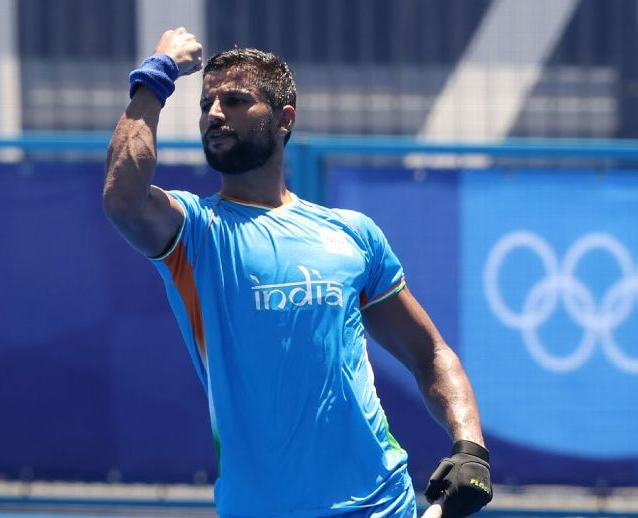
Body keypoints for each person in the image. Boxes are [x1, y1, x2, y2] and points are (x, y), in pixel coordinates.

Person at [103, 28, 493, 518]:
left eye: (236, 100)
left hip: (380, 504)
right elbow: (122, 198)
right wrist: (157, 74)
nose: (215, 113)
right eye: (207, 103)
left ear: (284, 120)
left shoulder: (352, 234)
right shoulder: (194, 232)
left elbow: (428, 353)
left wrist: (470, 447)